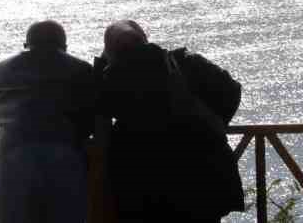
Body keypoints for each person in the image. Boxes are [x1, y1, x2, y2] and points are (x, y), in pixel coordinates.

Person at [95, 19, 245, 223]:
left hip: (142, 182)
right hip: (201, 177)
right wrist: (214, 120)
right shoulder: (186, 62)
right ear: (145, 39)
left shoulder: (111, 77)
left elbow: (99, 123)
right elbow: (232, 90)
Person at [0, 20, 98, 223]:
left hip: (13, 159)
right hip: (65, 158)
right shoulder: (81, 69)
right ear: (63, 46)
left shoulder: (1, 70)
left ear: (26, 45)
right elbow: (90, 120)